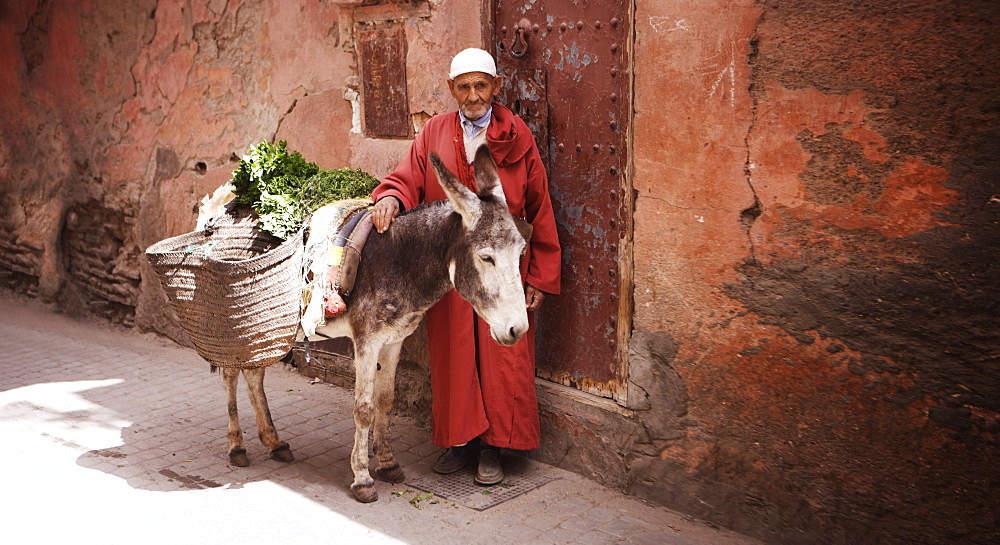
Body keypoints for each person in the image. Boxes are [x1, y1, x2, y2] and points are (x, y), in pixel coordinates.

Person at [370, 48, 561, 485]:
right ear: (452, 89)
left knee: (501, 355)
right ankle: (460, 442)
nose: (473, 95)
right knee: (453, 353)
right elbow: (409, 175)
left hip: (501, 267)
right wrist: (391, 198)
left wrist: (540, 276)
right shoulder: (434, 131)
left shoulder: (517, 134)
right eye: (464, 86)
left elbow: (540, 205)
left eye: (481, 85)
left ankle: (494, 448)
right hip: (455, 265)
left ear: (495, 87)